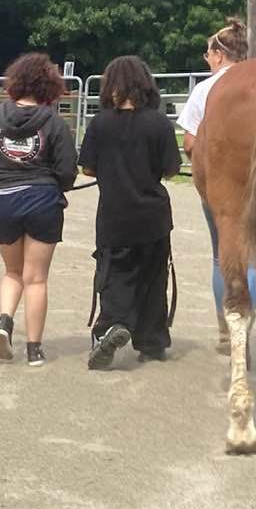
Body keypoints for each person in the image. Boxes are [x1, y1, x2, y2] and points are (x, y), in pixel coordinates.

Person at [0, 53, 78, 367]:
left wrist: (3, 178)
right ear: (49, 86)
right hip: (43, 202)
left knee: (12, 272)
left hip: (3, 201)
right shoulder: (55, 122)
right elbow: (67, 171)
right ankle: (34, 349)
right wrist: (55, 184)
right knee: (36, 279)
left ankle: (5, 321)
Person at [79, 56, 182, 369]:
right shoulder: (159, 123)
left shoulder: (100, 123)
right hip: (153, 216)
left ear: (111, 87)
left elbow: (87, 169)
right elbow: (171, 170)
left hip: (115, 215)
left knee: (114, 276)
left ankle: (114, 324)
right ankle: (152, 342)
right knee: (154, 277)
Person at [176, 18, 249, 355]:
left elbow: (190, 142)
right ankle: (248, 328)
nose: (207, 59)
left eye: (208, 53)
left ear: (219, 54)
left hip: (219, 187)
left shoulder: (205, 89)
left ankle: (227, 330)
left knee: (222, 256)